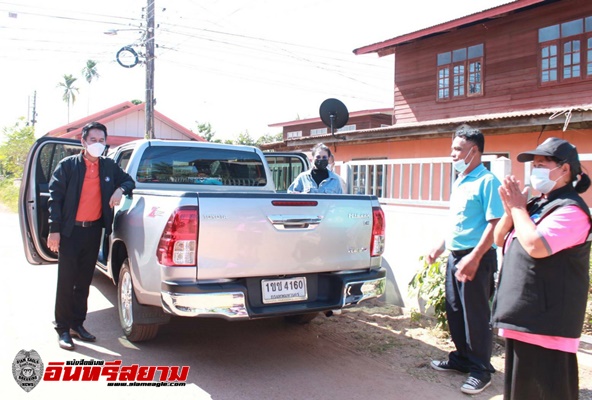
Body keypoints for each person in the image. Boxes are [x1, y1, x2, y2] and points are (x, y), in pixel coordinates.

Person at [491, 137, 591, 399]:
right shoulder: (537, 204)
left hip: (547, 326)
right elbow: (499, 238)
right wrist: (510, 211)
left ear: (565, 169)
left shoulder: (571, 210)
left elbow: (536, 245)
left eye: (541, 164)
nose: (534, 170)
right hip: (525, 322)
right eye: (533, 165)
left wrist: (517, 209)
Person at [426, 125, 503, 395]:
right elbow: (457, 222)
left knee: (476, 316)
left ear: (475, 151)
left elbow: (495, 224)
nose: (453, 154)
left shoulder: (488, 181)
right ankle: (462, 359)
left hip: (477, 259)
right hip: (456, 256)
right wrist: (439, 248)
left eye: (458, 149)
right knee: (455, 311)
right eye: (452, 148)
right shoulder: (460, 180)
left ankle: (481, 370)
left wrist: (475, 256)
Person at [47, 121, 135, 351]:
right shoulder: (67, 166)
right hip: (69, 232)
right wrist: (53, 230)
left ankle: (78, 324)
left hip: (94, 230)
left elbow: (129, 180)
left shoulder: (108, 166)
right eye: (93, 140)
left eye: (101, 141)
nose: (97, 144)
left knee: (84, 281)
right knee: (67, 282)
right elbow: (54, 199)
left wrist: (120, 189)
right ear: (83, 142)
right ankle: (63, 328)